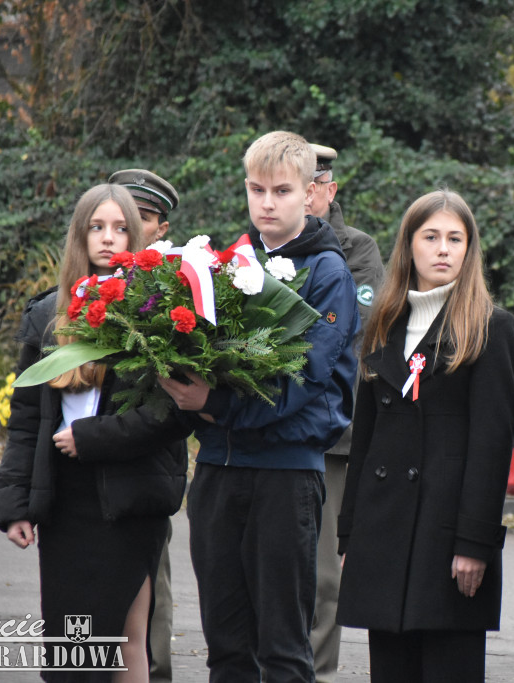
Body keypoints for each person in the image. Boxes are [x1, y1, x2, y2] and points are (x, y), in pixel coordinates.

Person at [157, 131, 359, 682]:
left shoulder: (329, 273)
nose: (267, 203)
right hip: (218, 471)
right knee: (226, 649)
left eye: (282, 190)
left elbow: (305, 379)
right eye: (256, 189)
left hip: (285, 475)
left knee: (283, 651)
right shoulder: (227, 263)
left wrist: (216, 404)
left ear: (311, 194)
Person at [0, 184, 191, 683]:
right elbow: (27, 417)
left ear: (136, 236)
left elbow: (171, 413)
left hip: (130, 498)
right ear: (79, 235)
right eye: (96, 227)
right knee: (72, 649)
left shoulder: (159, 310)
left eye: (120, 228)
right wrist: (15, 504)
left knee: (127, 637)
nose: (107, 238)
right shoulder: (46, 315)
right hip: (66, 501)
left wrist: (92, 437)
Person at [336, 190, 514, 683]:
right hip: (384, 529)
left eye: (455, 239)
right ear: (409, 245)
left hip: (447, 536)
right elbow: (365, 439)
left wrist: (475, 544)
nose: (443, 249)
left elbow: (491, 446)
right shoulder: (384, 322)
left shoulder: (490, 327)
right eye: (431, 237)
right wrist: (351, 535)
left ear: (469, 249)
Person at [305, 143, 384, 683]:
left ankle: (316, 671)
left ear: (329, 190)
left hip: (332, 431)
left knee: (322, 576)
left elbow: (353, 326)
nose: (302, 195)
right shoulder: (254, 247)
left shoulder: (357, 248)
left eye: (312, 185)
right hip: (266, 429)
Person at [107, 168, 181, 683]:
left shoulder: (176, 292)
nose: (129, 227)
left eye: (143, 217)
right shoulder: (73, 288)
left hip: (146, 465)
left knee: (151, 585)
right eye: (118, 216)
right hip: (82, 464)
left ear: (161, 229)